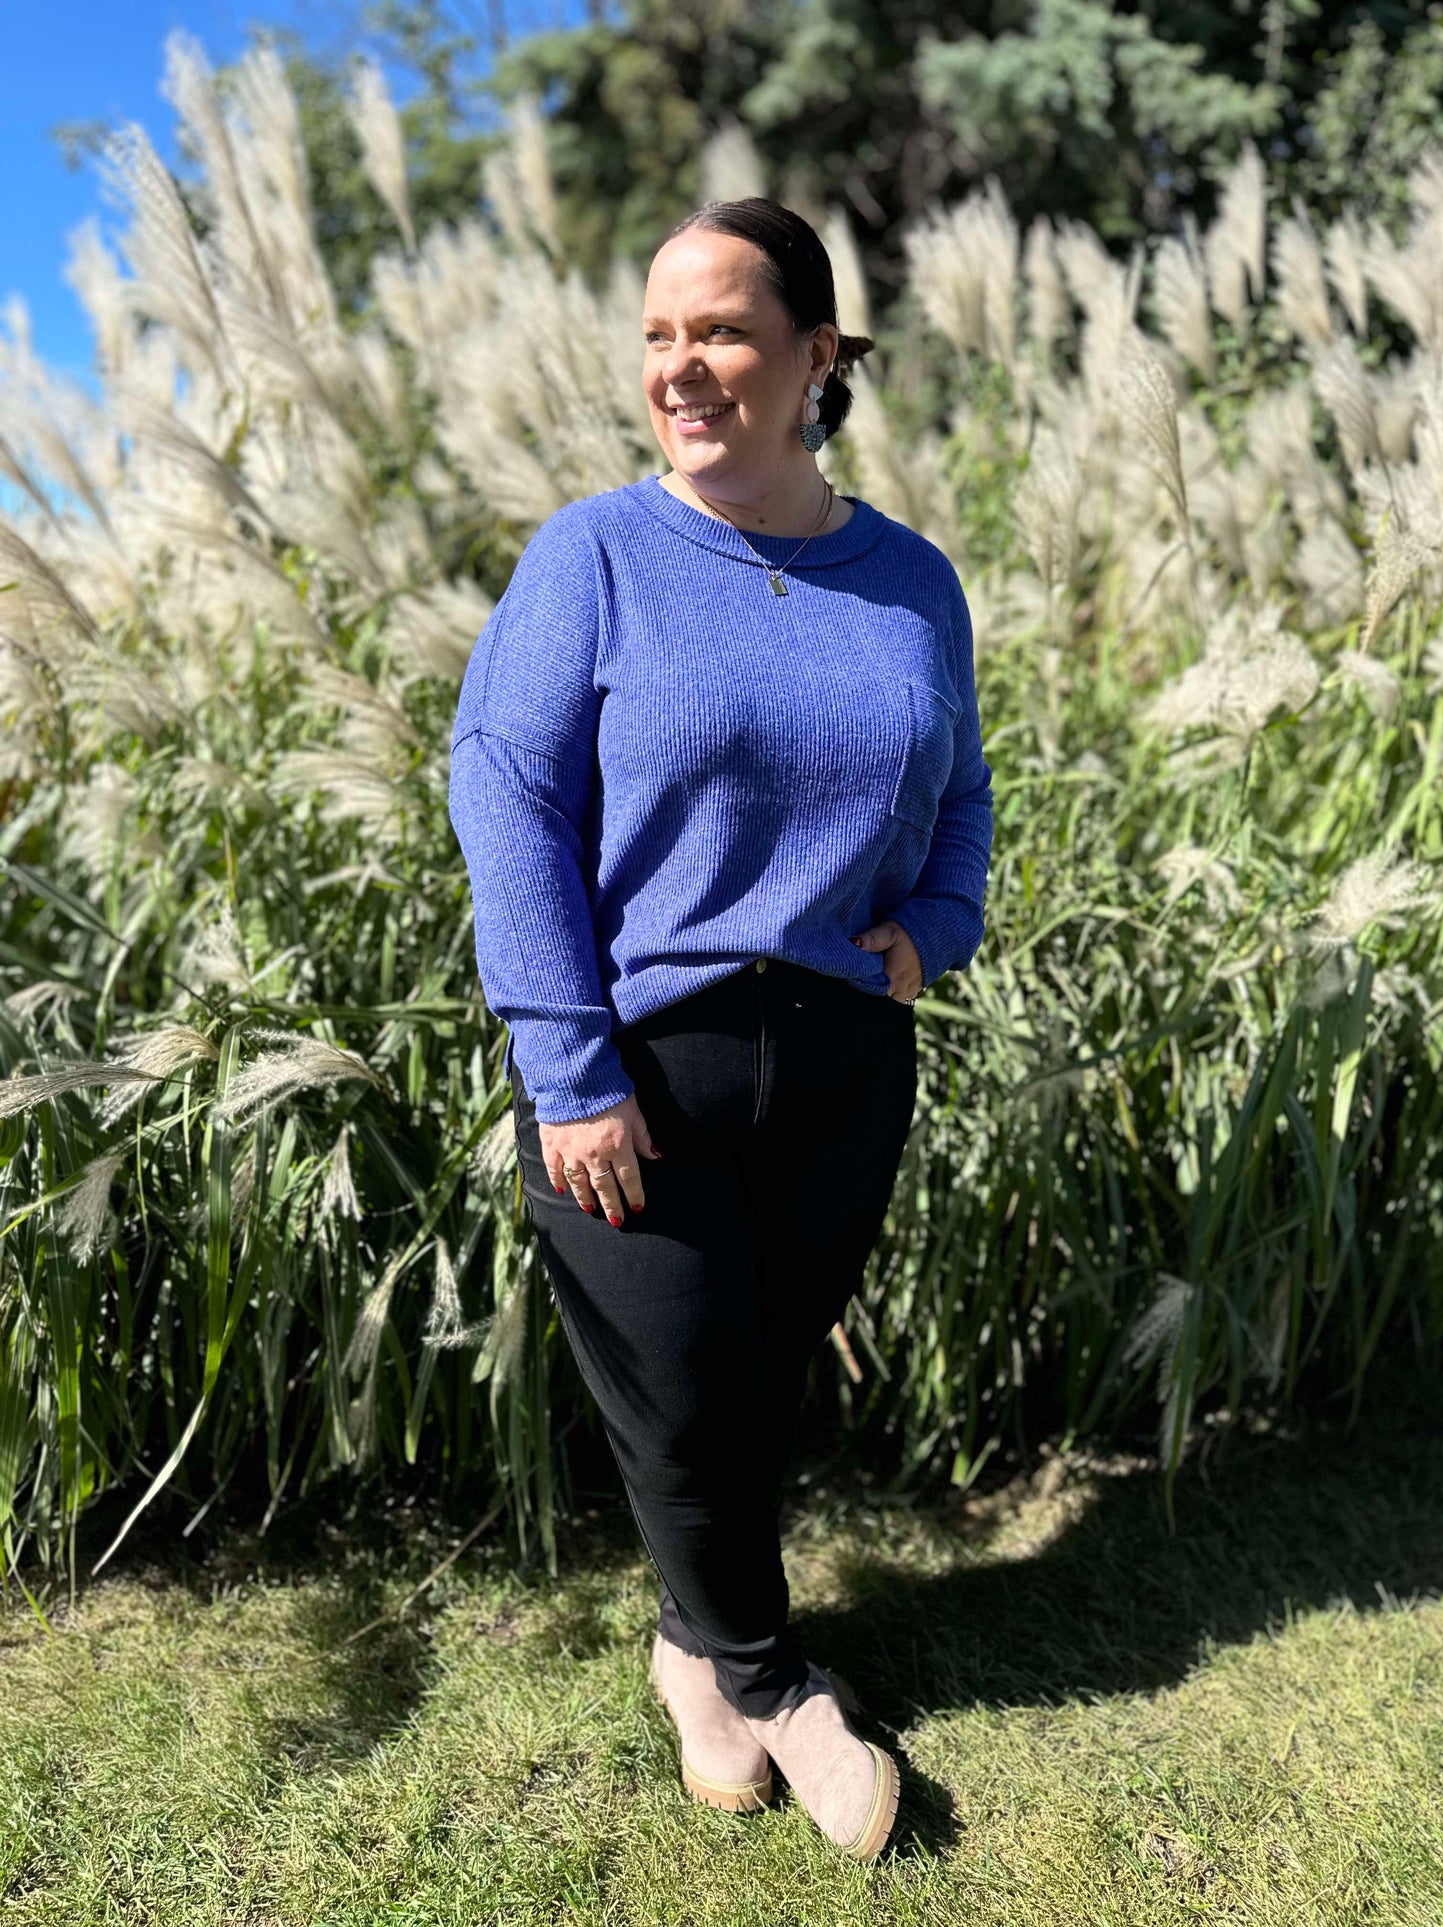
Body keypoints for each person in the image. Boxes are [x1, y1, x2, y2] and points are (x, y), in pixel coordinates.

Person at [448, 196, 993, 1862]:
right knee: (682, 1397)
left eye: (724, 332)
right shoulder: (596, 553)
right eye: (658, 336)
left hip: (840, 1063)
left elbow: (960, 786)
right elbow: (505, 789)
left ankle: (692, 1649)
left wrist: (942, 927)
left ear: (817, 357)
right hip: (640, 1069)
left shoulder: (910, 581)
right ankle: (782, 1688)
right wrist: (568, 1064)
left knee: (754, 1396)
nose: (682, 368)